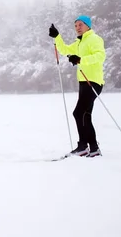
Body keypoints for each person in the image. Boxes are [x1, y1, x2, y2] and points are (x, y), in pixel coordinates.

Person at [49, 15, 106, 157]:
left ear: (88, 25)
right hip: (83, 81)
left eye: (80, 25)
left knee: (78, 113)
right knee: (85, 115)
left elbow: (100, 56)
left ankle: (82, 146)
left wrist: (80, 59)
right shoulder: (79, 43)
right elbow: (65, 50)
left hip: (93, 81)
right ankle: (93, 148)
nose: (77, 28)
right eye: (75, 25)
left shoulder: (94, 39)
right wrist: (57, 37)